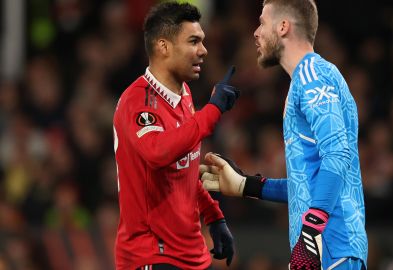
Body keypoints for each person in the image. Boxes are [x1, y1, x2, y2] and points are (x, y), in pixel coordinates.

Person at [200, 0, 367, 269]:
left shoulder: (313, 76)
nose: (255, 32)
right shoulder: (306, 80)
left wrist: (310, 233)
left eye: (262, 22)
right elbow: (310, 186)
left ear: (283, 27)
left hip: (331, 248)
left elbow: (337, 154)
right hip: (329, 247)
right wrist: (247, 185)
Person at [112, 2, 239, 270]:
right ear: (163, 47)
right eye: (194, 41)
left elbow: (183, 169)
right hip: (152, 256)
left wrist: (213, 216)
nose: (203, 51)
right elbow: (158, 153)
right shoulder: (137, 102)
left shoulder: (184, 96)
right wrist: (213, 111)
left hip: (191, 255)